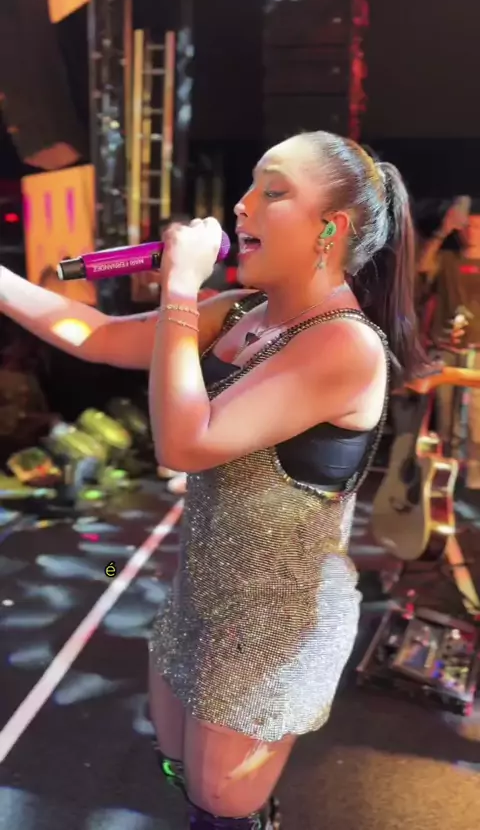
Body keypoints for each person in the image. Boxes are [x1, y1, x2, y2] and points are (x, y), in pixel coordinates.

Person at [0, 131, 421, 829]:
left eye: (273, 191)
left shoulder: (343, 345)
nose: (241, 205)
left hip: (275, 624)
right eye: (250, 186)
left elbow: (185, 443)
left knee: (223, 803)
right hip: (204, 592)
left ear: (332, 227)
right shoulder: (238, 313)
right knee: (181, 772)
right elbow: (96, 335)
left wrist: (178, 289)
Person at [417, 198, 480, 487]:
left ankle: (474, 483)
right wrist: (442, 232)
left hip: (477, 352)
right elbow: (422, 267)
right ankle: (445, 479)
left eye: (478, 227)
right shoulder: (447, 259)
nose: (472, 232)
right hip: (445, 348)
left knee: (475, 420)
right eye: (468, 227)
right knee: (444, 416)